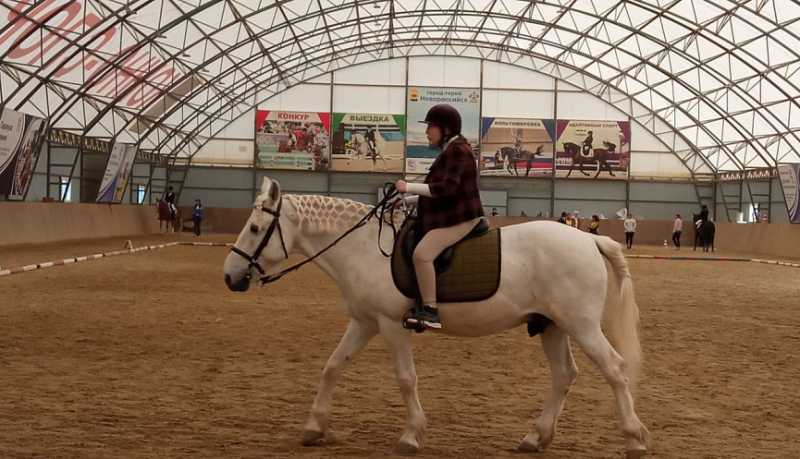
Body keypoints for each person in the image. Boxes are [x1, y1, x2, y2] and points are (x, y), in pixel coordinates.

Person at [394, 104, 484, 330]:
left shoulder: (458, 151)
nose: (427, 132)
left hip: (462, 218)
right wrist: (407, 201)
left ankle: (431, 310)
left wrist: (409, 187)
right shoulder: (451, 149)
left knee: (422, 255)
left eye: (430, 127)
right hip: (452, 213)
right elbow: (437, 192)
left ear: (445, 129)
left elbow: (446, 189)